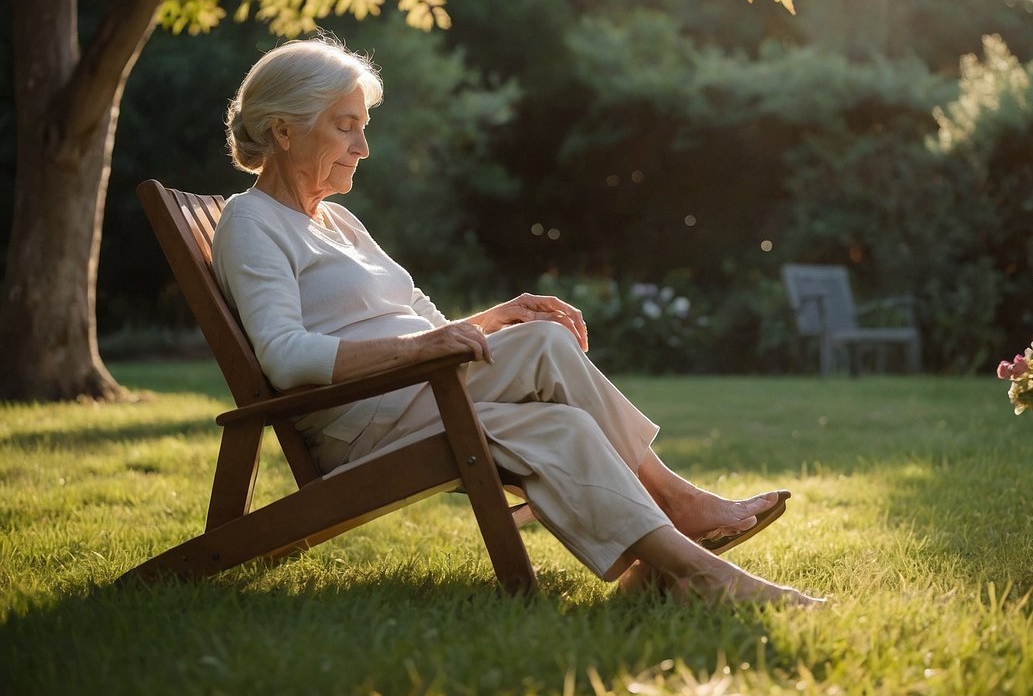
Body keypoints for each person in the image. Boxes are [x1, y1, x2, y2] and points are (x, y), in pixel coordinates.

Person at [212, 37, 822, 607]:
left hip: (419, 393)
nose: (363, 148)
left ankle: (673, 573)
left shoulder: (339, 223)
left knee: (557, 427)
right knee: (547, 345)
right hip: (364, 417)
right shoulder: (252, 223)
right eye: (345, 128)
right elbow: (285, 358)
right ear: (282, 130)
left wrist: (497, 318)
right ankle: (681, 503)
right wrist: (425, 349)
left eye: (363, 129)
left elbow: (427, 325)